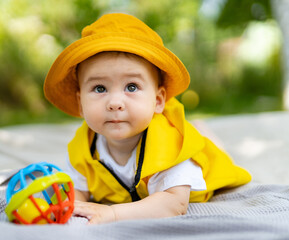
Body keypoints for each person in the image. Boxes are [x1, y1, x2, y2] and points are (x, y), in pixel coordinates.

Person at [43, 13, 251, 224]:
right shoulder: (83, 148)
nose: (115, 102)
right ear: (80, 103)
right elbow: (77, 191)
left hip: (209, 171)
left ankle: (208, 138)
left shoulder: (171, 145)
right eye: (99, 88)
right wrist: (65, 207)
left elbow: (174, 204)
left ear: (158, 100)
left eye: (131, 87)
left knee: (215, 154)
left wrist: (113, 213)